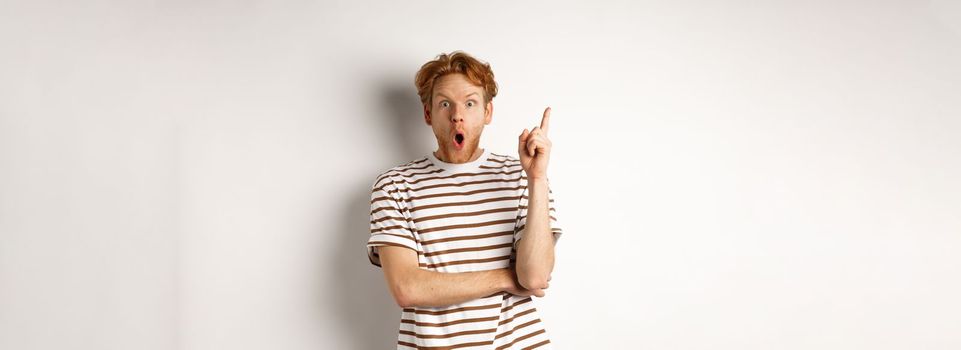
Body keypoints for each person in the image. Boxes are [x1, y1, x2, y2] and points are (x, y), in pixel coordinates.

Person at [366, 51, 564, 349]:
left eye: (470, 103)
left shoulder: (521, 177)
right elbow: (406, 287)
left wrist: (537, 178)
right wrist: (509, 279)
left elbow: (535, 275)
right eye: (445, 103)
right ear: (428, 114)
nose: (457, 114)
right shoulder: (394, 185)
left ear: (487, 112)